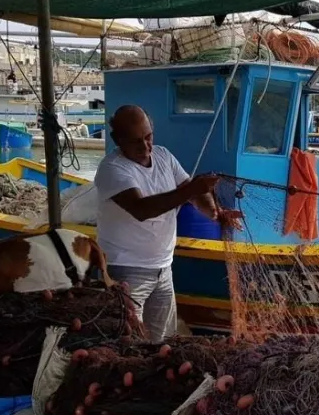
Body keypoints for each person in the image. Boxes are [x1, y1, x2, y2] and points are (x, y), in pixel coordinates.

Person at [95, 105, 234, 342]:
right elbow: (142, 209)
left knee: (162, 343)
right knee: (127, 341)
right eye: (136, 141)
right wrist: (193, 187)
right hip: (126, 270)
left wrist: (215, 212)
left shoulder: (163, 155)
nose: (145, 146)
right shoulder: (112, 168)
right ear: (117, 140)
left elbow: (189, 191)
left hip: (163, 269)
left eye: (149, 137)